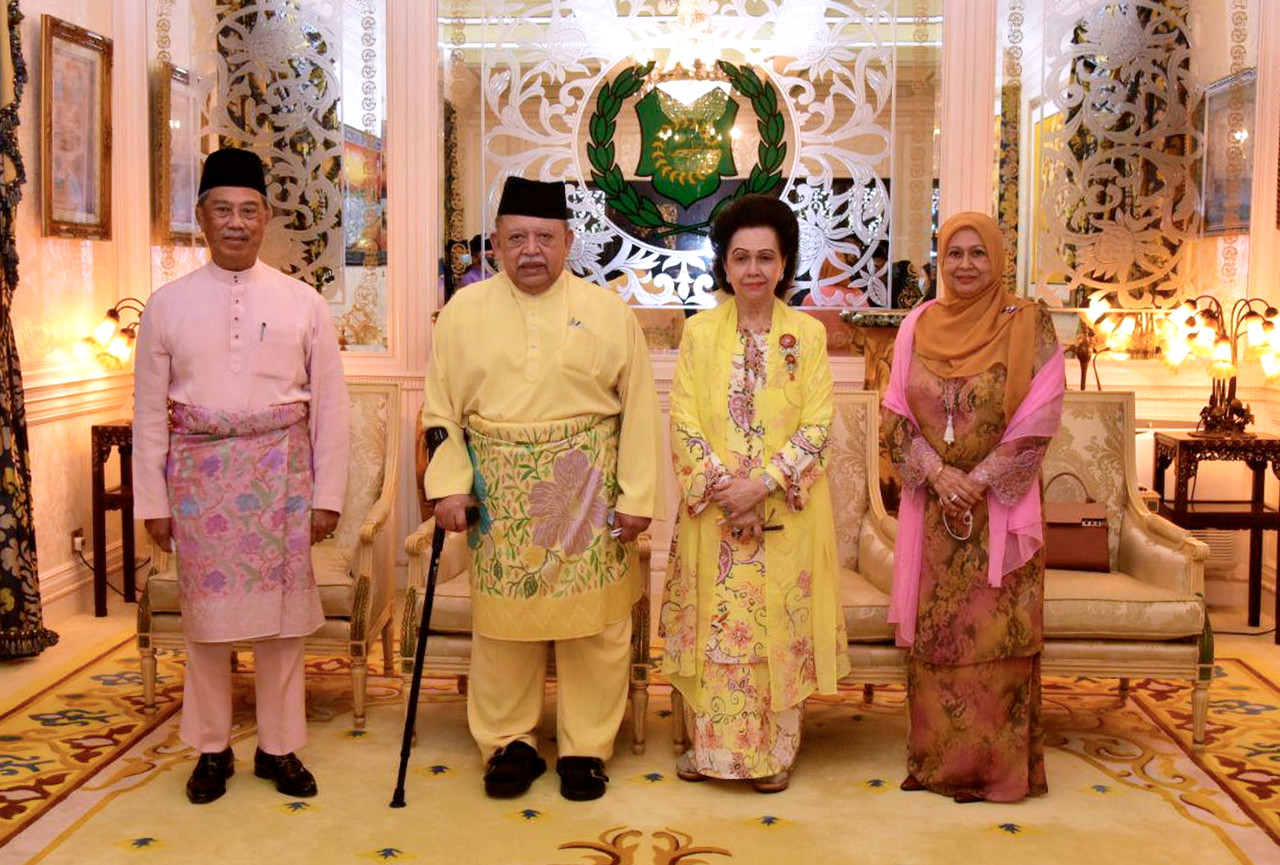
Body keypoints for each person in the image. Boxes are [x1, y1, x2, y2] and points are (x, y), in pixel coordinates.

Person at [422, 176, 663, 802]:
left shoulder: (609, 312)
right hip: (497, 494)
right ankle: (511, 743)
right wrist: (449, 486)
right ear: (497, 243)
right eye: (517, 238)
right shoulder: (461, 313)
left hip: (588, 487)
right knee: (504, 626)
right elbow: (441, 409)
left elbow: (638, 408)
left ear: (568, 241)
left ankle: (586, 748)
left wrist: (637, 498)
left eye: (545, 238)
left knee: (595, 628)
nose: (532, 250)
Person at [133, 148, 350, 805]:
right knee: (206, 624)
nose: (235, 222)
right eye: (222, 209)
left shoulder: (304, 302)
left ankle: (280, 748)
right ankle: (210, 748)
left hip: (282, 475)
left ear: (266, 218)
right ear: (200, 217)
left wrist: (328, 495)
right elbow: (148, 413)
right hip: (199, 481)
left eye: (248, 211)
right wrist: (153, 500)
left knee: (283, 626)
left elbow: (332, 407)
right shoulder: (165, 306)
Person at [660, 194, 849, 794]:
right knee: (717, 632)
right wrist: (724, 488)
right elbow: (683, 418)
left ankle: (774, 754)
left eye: (766, 257)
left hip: (782, 520)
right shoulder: (698, 334)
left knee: (776, 636)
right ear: (724, 264)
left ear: (786, 262)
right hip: (715, 518)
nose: (753, 271)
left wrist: (762, 484)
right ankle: (710, 752)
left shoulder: (809, 336)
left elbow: (818, 424)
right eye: (740, 257)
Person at [880, 211, 1065, 803]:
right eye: (953, 253)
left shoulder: (1029, 323)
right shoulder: (916, 326)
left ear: (997, 259)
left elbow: (1042, 413)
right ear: (940, 259)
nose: (964, 265)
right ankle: (939, 765)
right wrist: (937, 474)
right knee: (940, 639)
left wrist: (979, 480)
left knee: (997, 638)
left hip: (1000, 514)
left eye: (976, 253)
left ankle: (998, 771)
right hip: (935, 515)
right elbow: (894, 415)